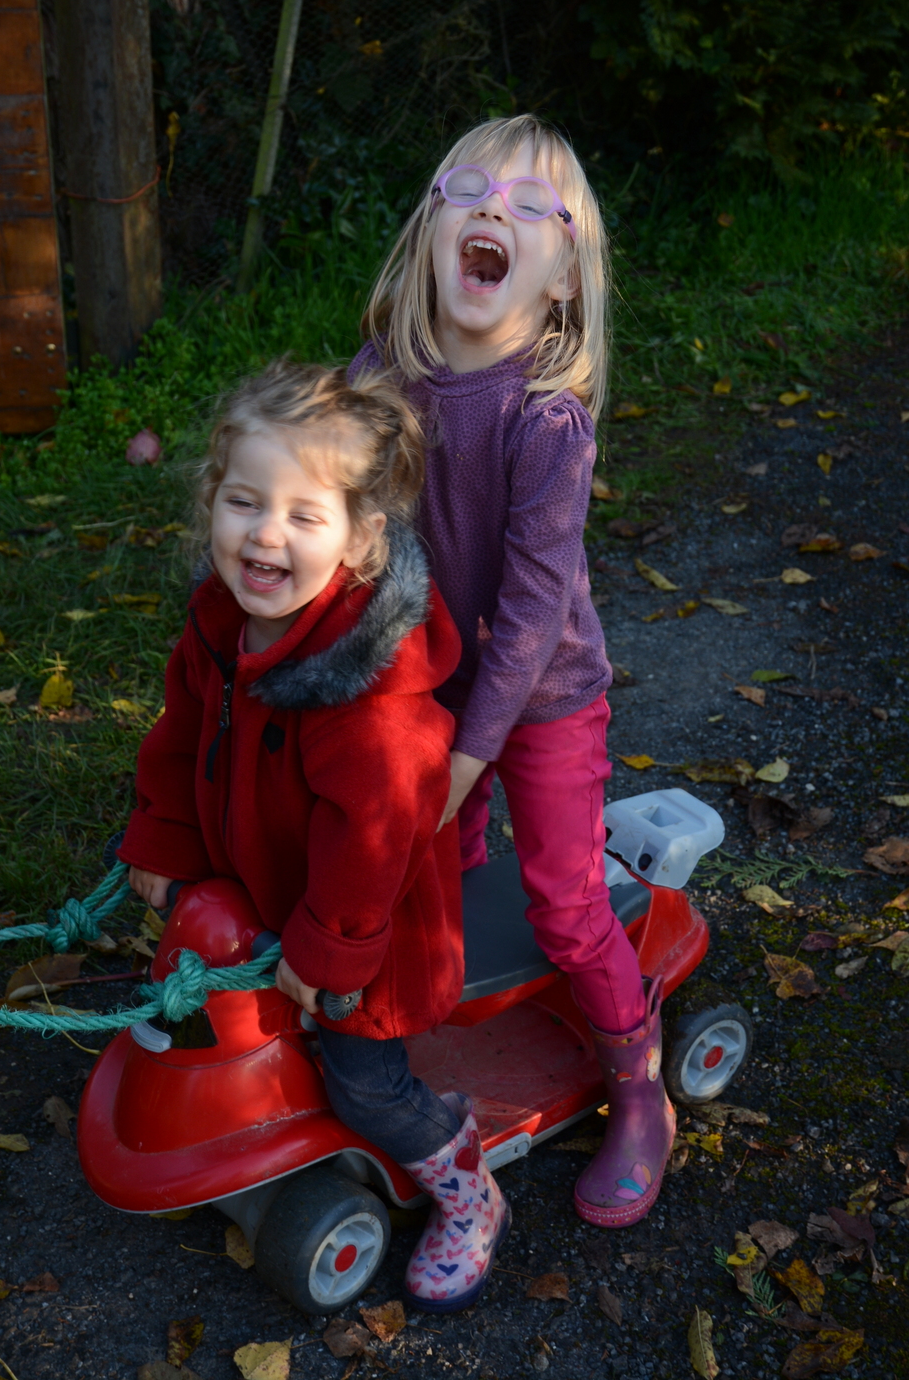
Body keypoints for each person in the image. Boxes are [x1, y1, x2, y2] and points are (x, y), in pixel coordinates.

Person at [116, 359, 508, 1309]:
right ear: (211, 500)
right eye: (244, 502)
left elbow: (375, 835)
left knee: (362, 1081)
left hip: (363, 932)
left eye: (303, 515)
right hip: (265, 878)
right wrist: (163, 841)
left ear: (361, 538)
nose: (265, 535)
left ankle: (468, 1192)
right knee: (238, 1002)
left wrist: (330, 948)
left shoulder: (367, 694)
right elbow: (180, 738)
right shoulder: (220, 623)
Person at [350, 114, 675, 1228]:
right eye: (471, 189)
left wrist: (469, 749)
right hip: (427, 675)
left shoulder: (546, 420)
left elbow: (532, 613)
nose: (495, 208)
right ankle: (442, 1019)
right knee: (431, 856)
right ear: (431, 228)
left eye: (533, 205)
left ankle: (640, 1088)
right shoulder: (381, 374)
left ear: (564, 279)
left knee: (566, 901)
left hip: (540, 698)